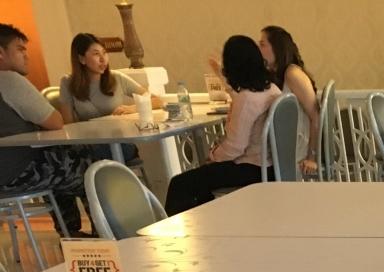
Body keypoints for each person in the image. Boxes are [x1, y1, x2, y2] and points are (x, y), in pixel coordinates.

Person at [164, 35, 279, 214]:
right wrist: (219, 74)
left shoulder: (246, 99)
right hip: (270, 165)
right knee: (200, 180)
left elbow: (235, 147)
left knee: (180, 183)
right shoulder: (271, 89)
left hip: (250, 168)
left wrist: (213, 156)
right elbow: (241, 101)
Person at [0, 22, 90, 233]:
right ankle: (107, 235)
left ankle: (70, 236)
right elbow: (55, 121)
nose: (26, 56)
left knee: (62, 164)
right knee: (91, 167)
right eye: (20, 49)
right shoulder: (9, 80)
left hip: (6, 175)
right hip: (16, 172)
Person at [59, 33, 162, 123]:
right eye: (96, 54)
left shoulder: (117, 78)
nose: (103, 59)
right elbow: (69, 124)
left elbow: (157, 101)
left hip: (118, 135)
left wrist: (132, 108)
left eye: (104, 53)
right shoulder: (67, 82)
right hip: (89, 137)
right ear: (81, 59)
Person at [259, 26, 319, 177]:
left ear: (277, 48)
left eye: (262, 44)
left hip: (297, 152)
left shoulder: (293, 74)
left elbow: (316, 116)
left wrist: (312, 158)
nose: (258, 50)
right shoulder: (278, 75)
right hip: (285, 147)